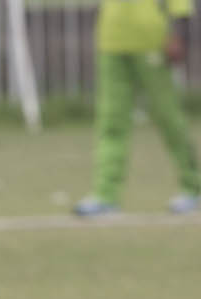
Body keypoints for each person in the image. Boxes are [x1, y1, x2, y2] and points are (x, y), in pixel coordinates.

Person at [73, 0, 199, 216]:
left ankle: (194, 187)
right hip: (111, 42)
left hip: (152, 43)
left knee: (168, 117)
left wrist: (179, 35)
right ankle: (106, 195)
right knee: (111, 121)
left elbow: (181, 5)